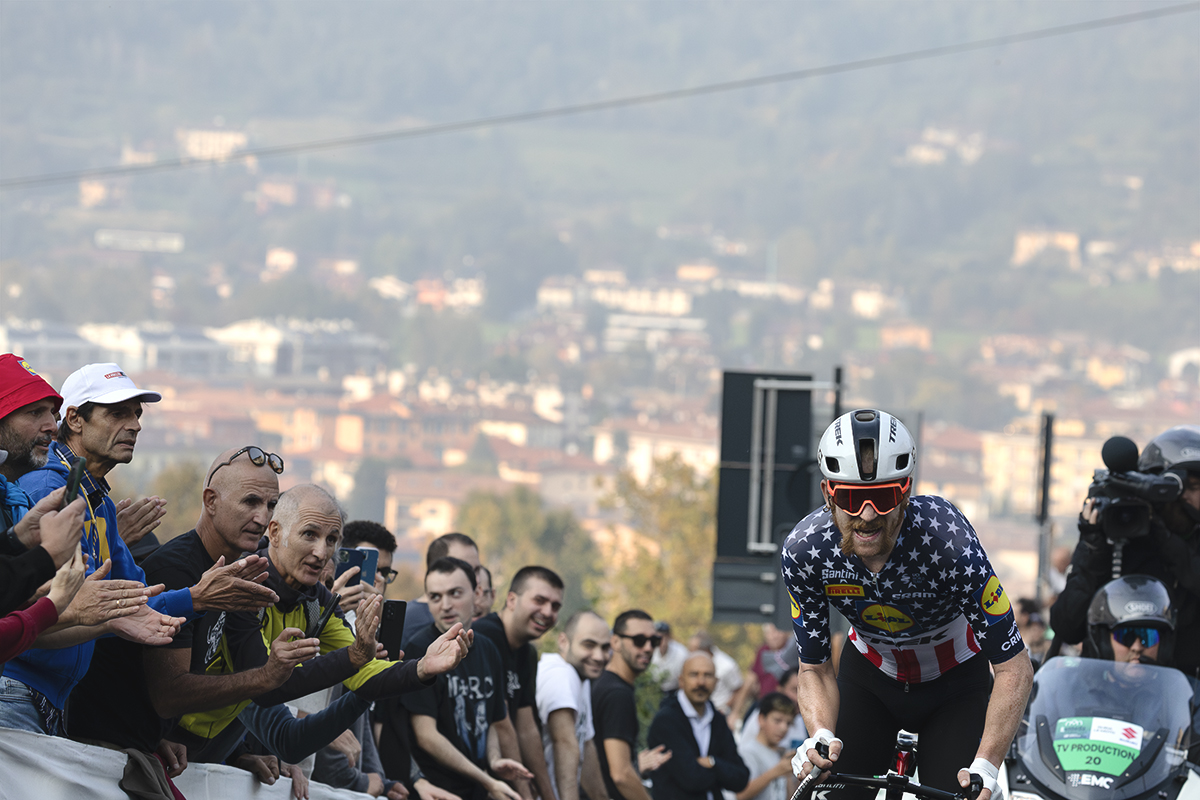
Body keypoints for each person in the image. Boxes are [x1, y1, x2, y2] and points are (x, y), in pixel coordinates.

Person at [7, 363, 277, 735]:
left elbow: (133, 603)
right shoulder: (46, 487)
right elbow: (63, 608)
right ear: (75, 419)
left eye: (136, 414)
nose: (135, 425)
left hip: (47, 698)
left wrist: (196, 598)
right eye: (117, 413)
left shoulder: (95, 497)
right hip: (17, 689)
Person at [783, 408, 1033, 800]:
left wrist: (987, 764)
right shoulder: (806, 550)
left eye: (882, 498)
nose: (867, 516)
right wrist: (819, 734)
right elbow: (813, 668)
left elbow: (1014, 667)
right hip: (869, 680)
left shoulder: (948, 541)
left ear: (906, 491)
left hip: (955, 685)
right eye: (851, 498)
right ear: (828, 493)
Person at [67, 448, 358, 777]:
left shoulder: (238, 575)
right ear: (211, 501)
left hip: (142, 747)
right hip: (97, 755)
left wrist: (233, 753)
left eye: (271, 505)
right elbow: (169, 694)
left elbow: (258, 689)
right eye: (250, 502)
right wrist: (267, 676)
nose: (263, 518)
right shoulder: (177, 568)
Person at [166, 483, 471, 764]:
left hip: (213, 751)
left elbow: (366, 674)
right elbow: (263, 683)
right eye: (309, 534)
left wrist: (423, 668)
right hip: (167, 737)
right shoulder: (243, 586)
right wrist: (352, 657)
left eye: (332, 540)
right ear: (274, 533)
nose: (321, 553)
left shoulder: (318, 603)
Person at [1050, 425, 1200, 678]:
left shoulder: (1187, 546)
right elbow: (1068, 626)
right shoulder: (1117, 535)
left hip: (1182, 700)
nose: (1194, 497)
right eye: (1192, 487)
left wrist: (1162, 536)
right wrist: (1092, 547)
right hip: (1101, 690)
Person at [403, 557, 529, 800]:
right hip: (439, 792)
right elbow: (426, 735)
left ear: (477, 593)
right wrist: (489, 781)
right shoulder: (419, 649)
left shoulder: (489, 648)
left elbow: (490, 719)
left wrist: (494, 760)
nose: (446, 605)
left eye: (455, 593)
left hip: (478, 789)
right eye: (435, 597)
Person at [472, 565, 562, 800]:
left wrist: (548, 795)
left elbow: (527, 727)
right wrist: (524, 796)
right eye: (539, 600)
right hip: (473, 775)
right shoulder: (485, 635)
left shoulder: (528, 653)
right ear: (511, 600)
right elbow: (502, 723)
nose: (547, 611)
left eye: (555, 606)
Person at [646, 651, 749, 800]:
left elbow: (741, 778)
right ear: (681, 680)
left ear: (716, 681)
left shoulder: (717, 720)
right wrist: (721, 770)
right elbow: (691, 779)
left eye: (707, 675)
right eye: (694, 675)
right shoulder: (666, 720)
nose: (701, 682)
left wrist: (712, 762)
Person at [593, 609, 670, 800]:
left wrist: (636, 765)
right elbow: (621, 775)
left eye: (654, 641)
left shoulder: (604, 682)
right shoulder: (617, 694)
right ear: (615, 642)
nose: (647, 648)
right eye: (638, 640)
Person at [536, 609, 611, 800]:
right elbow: (565, 744)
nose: (599, 656)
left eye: (605, 647)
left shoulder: (580, 676)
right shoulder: (561, 676)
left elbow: (585, 744)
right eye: (589, 645)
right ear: (563, 641)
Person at [735, 692, 798, 800]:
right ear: (761, 719)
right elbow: (740, 794)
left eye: (788, 723)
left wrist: (788, 772)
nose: (784, 728)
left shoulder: (781, 753)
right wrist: (777, 771)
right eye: (777, 720)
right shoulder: (748, 752)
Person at [739, 669, 806, 753]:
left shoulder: (802, 720)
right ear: (780, 689)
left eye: (804, 692)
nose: (798, 698)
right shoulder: (763, 712)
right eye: (794, 690)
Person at [687, 630, 748, 720]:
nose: (690, 654)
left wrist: (725, 708)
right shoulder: (691, 663)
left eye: (693, 650)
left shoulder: (726, 666)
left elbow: (738, 689)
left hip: (720, 713)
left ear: (705, 649)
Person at [650, 620, 688, 692]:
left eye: (665, 637)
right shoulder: (650, 649)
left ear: (669, 637)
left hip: (675, 691)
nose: (662, 641)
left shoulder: (681, 653)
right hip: (653, 691)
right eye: (659, 637)